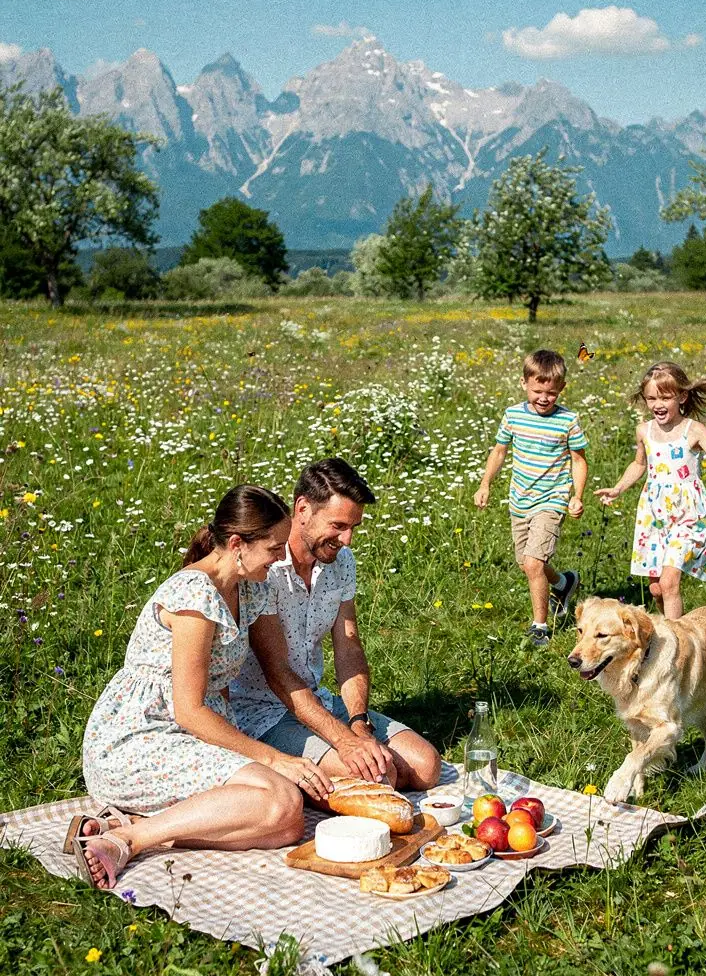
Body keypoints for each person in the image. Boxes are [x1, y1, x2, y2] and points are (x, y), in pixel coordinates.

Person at [71, 485, 335, 891]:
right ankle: (128, 840)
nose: (281, 557)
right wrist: (271, 758)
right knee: (281, 802)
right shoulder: (195, 594)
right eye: (273, 548)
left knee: (285, 821)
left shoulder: (253, 587)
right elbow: (189, 709)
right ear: (236, 544)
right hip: (140, 735)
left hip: (191, 732)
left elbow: (267, 671)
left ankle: (135, 824)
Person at [231, 458, 442, 791]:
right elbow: (277, 671)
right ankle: (279, 774)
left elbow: (349, 646)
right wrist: (343, 741)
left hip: (318, 700)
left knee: (426, 767)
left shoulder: (341, 562)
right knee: (378, 777)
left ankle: (324, 780)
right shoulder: (264, 567)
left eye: (353, 528)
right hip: (262, 712)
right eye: (338, 526)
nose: (347, 539)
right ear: (302, 509)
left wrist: (358, 724)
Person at [595, 361, 706, 619]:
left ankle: (678, 647)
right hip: (653, 517)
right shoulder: (644, 430)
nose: (657, 405)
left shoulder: (694, 430)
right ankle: (669, 629)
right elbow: (639, 464)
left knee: (670, 582)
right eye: (651, 398)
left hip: (688, 517)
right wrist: (618, 488)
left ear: (682, 396)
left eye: (665, 397)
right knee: (657, 590)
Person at [474, 348, 588, 647]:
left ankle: (539, 627)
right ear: (524, 383)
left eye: (551, 393)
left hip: (551, 499)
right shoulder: (513, 415)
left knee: (534, 563)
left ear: (561, 389)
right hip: (519, 499)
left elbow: (578, 460)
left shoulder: (568, 421)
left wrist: (576, 496)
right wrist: (485, 483)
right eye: (538, 391)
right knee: (527, 563)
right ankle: (563, 584)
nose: (543, 398)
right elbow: (499, 451)